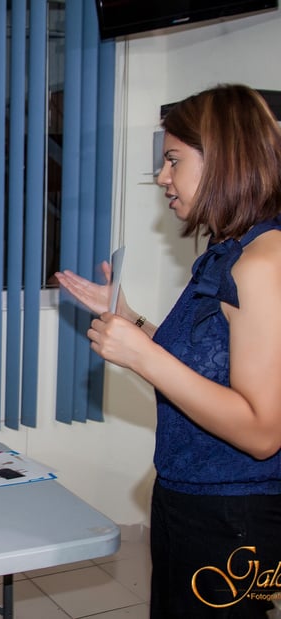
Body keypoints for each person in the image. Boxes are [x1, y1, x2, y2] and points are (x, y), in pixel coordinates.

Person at [54, 84, 281, 618]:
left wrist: (140, 355)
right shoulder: (226, 253)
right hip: (189, 495)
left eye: (174, 161)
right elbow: (207, 367)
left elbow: (262, 432)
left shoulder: (264, 264)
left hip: (234, 514)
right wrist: (130, 320)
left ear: (225, 160)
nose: (162, 178)